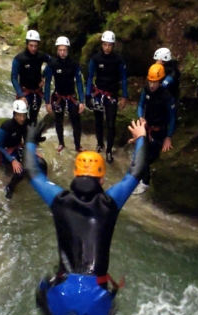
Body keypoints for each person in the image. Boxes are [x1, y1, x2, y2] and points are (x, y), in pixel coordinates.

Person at [24, 119, 149, 315]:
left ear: (75, 173)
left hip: (62, 293)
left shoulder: (58, 199)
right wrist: (141, 137)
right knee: (109, 313)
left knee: (40, 293)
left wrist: (30, 140)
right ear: (102, 179)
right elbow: (136, 171)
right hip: (96, 296)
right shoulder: (110, 202)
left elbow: (32, 171)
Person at [85, 30, 128, 164]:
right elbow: (90, 77)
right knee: (98, 121)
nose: (107, 47)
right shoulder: (96, 59)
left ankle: (109, 151)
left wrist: (124, 96)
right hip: (98, 94)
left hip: (111, 96)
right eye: (105, 44)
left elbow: (124, 79)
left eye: (109, 45)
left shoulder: (118, 60)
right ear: (101, 44)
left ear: (113, 45)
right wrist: (88, 95)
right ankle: (99, 143)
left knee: (111, 123)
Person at [135, 63, 176, 195]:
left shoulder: (167, 97)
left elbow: (173, 118)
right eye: (150, 81)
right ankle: (142, 177)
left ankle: (145, 182)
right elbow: (141, 105)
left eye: (155, 82)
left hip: (159, 132)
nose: (152, 85)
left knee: (148, 156)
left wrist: (168, 138)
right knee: (143, 154)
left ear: (161, 81)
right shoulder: (146, 89)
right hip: (146, 128)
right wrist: (141, 117)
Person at [43, 36, 85, 153]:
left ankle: (77, 145)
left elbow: (79, 83)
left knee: (76, 122)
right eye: (60, 50)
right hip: (58, 97)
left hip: (71, 96)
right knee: (58, 121)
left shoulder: (74, 64)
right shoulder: (53, 64)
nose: (62, 52)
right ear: (57, 50)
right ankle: (61, 143)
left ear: (68, 50)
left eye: (64, 50)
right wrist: (47, 102)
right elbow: (47, 84)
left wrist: (81, 101)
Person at [11, 30, 51, 125]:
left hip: (37, 93)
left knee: (33, 120)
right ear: (27, 44)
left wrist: (43, 76)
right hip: (25, 93)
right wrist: (20, 95)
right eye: (31, 45)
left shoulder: (41, 56)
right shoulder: (19, 59)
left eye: (36, 46)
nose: (33, 48)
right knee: (20, 119)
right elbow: (13, 78)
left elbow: (53, 63)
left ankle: (32, 138)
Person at [0, 99, 29, 199]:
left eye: (24, 115)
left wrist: (32, 149)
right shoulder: (6, 126)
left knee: (39, 162)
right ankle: (9, 188)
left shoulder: (24, 123)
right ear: (14, 114)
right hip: (7, 152)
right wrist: (12, 160)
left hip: (18, 148)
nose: (22, 118)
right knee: (20, 173)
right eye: (19, 115)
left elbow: (26, 139)